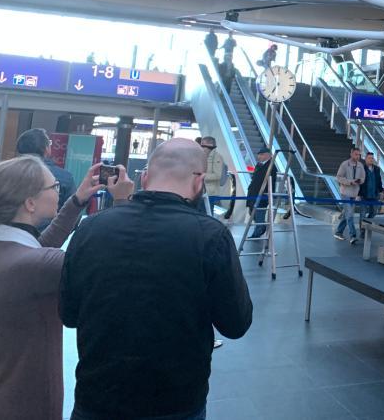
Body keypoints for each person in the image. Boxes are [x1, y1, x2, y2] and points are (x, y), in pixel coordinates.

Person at [60, 139, 253, 420]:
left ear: (144, 178)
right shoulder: (211, 237)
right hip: (175, 402)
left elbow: (69, 315)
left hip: (96, 398)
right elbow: (236, 324)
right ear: (199, 181)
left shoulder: (90, 229)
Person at [0, 157, 130, 420]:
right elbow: (112, 262)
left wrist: (78, 200)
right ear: (30, 203)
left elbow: (37, 248)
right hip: (25, 404)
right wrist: (123, 204)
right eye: (54, 187)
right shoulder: (37, 266)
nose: (58, 191)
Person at [15, 127, 76, 215]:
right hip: (54, 223)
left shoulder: (5, 173)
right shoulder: (65, 177)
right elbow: (72, 213)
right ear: (46, 149)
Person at [335, 147, 365, 243]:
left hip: (354, 193)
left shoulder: (360, 165)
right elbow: (338, 177)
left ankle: (338, 232)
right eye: (356, 154)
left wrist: (360, 181)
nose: (358, 156)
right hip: (345, 193)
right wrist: (350, 182)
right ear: (351, 154)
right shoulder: (344, 164)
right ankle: (353, 235)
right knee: (350, 214)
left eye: (359, 155)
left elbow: (363, 177)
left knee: (347, 214)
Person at [247, 146, 274, 239]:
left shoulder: (271, 166)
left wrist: (267, 194)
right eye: (259, 154)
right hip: (253, 193)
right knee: (252, 212)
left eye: (261, 154)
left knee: (259, 214)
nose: (259, 156)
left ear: (268, 155)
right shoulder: (259, 165)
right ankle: (261, 227)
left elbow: (271, 182)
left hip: (262, 194)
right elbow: (255, 178)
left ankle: (257, 232)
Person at [201, 136, 229, 217]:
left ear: (210, 145)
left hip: (210, 193)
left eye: (203, 145)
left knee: (207, 214)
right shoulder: (204, 156)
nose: (202, 147)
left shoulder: (217, 157)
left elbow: (217, 175)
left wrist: (202, 176)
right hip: (203, 192)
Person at [359, 151, 384, 224]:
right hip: (364, 194)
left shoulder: (377, 169)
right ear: (365, 159)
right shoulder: (362, 169)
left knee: (374, 212)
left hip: (374, 194)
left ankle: (367, 223)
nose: (371, 159)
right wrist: (358, 194)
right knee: (363, 213)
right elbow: (359, 182)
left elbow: (379, 180)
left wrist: (381, 191)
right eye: (369, 158)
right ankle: (362, 228)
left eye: (372, 158)